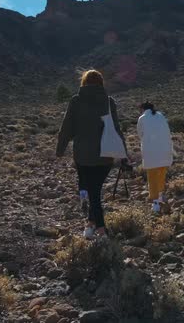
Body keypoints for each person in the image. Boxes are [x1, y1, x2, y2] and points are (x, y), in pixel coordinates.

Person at [56, 69, 128, 239]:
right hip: (106, 155)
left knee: (93, 192)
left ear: (84, 82)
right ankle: (90, 224)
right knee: (95, 190)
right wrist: (123, 155)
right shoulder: (109, 102)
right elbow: (116, 129)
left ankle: (101, 230)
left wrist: (60, 150)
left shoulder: (76, 101)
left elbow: (67, 128)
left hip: (82, 155)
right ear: (101, 83)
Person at [136, 102, 174, 213]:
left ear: (143, 108)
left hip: (151, 151)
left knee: (152, 175)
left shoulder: (142, 118)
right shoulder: (161, 116)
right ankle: (161, 195)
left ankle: (156, 202)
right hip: (165, 150)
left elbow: (140, 134)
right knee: (161, 173)